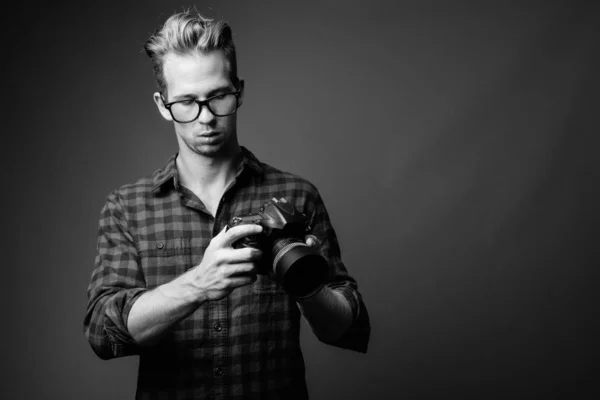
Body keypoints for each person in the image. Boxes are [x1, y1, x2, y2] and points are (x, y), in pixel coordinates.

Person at [84, 10, 370, 399]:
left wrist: (306, 285)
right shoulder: (127, 207)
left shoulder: (296, 195)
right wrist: (197, 285)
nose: (205, 118)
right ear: (162, 104)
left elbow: (348, 328)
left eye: (218, 96)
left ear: (240, 90)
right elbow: (103, 332)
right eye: (186, 102)